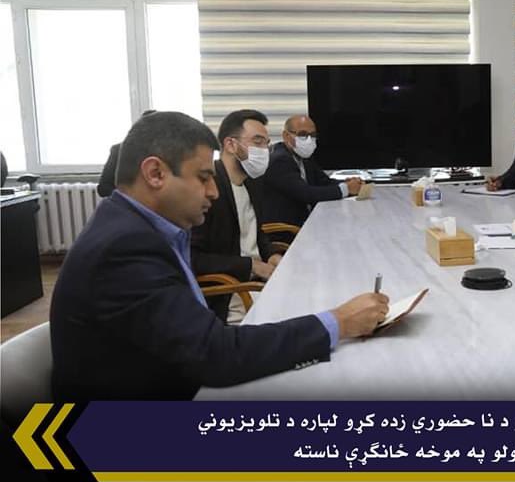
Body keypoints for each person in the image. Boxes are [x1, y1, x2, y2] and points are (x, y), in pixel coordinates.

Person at [50, 111, 388, 401]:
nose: (213, 191)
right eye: (203, 178)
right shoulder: (124, 248)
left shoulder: (137, 225)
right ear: (155, 174)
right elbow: (216, 354)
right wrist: (338, 322)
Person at [190, 110, 283, 322]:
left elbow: (256, 234)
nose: (264, 151)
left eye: (266, 144)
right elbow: (192, 258)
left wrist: (272, 256)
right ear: (231, 145)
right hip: (233, 293)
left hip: (261, 282)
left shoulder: (253, 183)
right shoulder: (207, 189)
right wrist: (251, 266)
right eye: (257, 142)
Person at [262, 114, 362, 228]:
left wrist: (349, 183)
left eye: (313, 135)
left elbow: (324, 182)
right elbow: (306, 194)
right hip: (288, 228)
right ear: (286, 136)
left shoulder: (304, 156)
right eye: (303, 134)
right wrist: (346, 189)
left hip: (309, 220)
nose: (309, 140)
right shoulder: (280, 160)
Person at [97, 109, 155, 198]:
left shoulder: (166, 153)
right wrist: (130, 198)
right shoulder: (118, 151)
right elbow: (103, 188)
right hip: (126, 203)